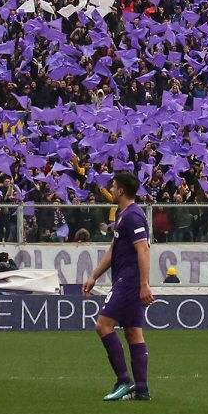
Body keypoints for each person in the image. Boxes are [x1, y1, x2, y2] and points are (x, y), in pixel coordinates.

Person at [82, 170, 153, 402]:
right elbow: (113, 251)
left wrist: (144, 284)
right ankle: (141, 389)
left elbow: (143, 249)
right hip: (126, 279)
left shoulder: (133, 216)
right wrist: (94, 276)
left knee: (103, 326)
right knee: (133, 332)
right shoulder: (123, 216)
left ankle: (124, 380)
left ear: (121, 190)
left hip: (130, 281)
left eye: (113, 186)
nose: (110, 190)